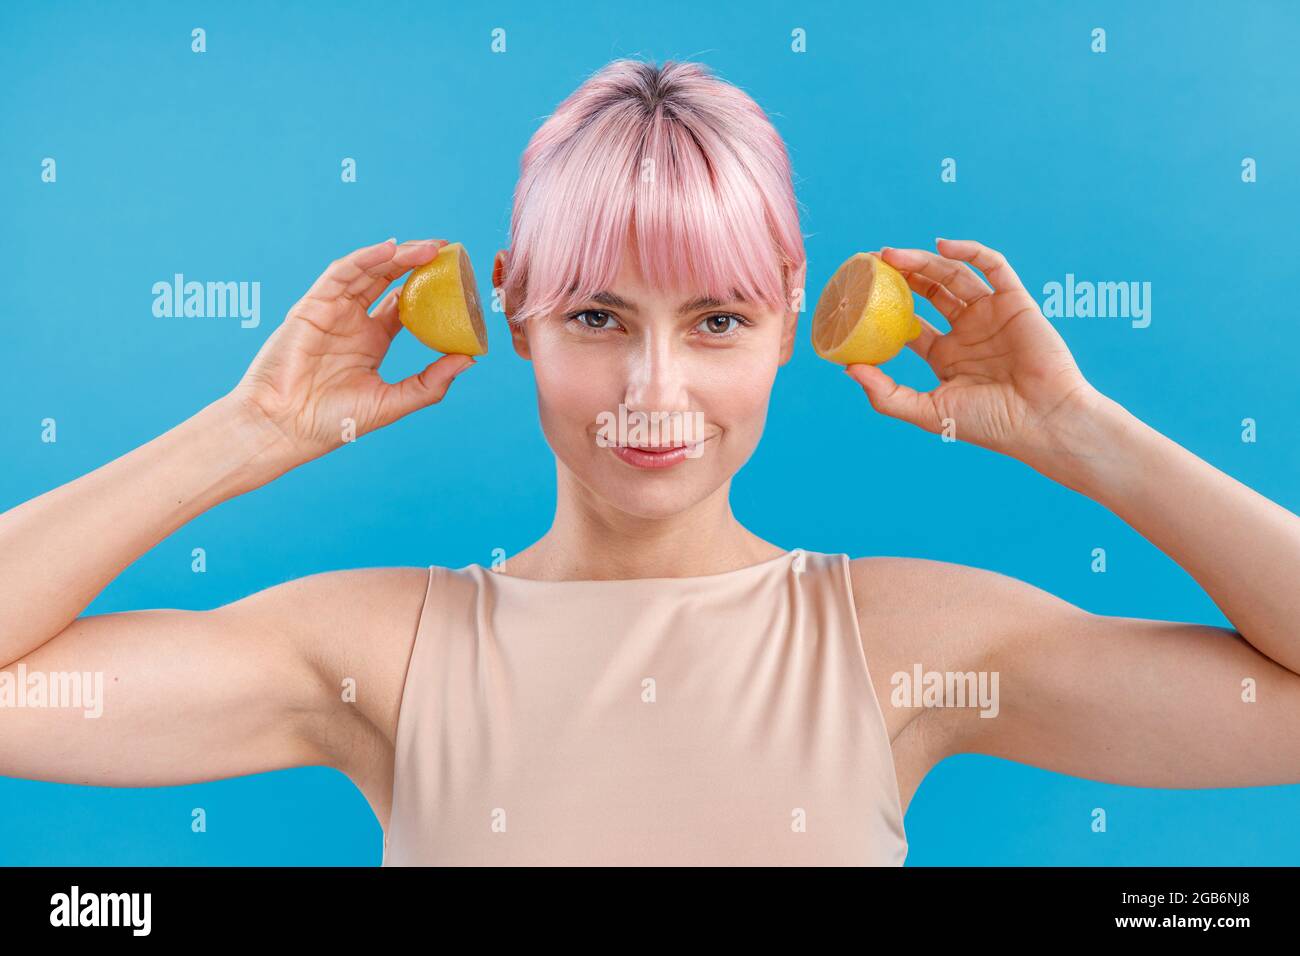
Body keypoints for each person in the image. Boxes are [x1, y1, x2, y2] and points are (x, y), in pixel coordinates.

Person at [2, 58, 1298, 866]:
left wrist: (1084, 437)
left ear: (794, 312)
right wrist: (255, 431)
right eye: (596, 319)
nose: (654, 391)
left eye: (718, 320)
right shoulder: (381, 646)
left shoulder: (898, 636)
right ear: (513, 310)